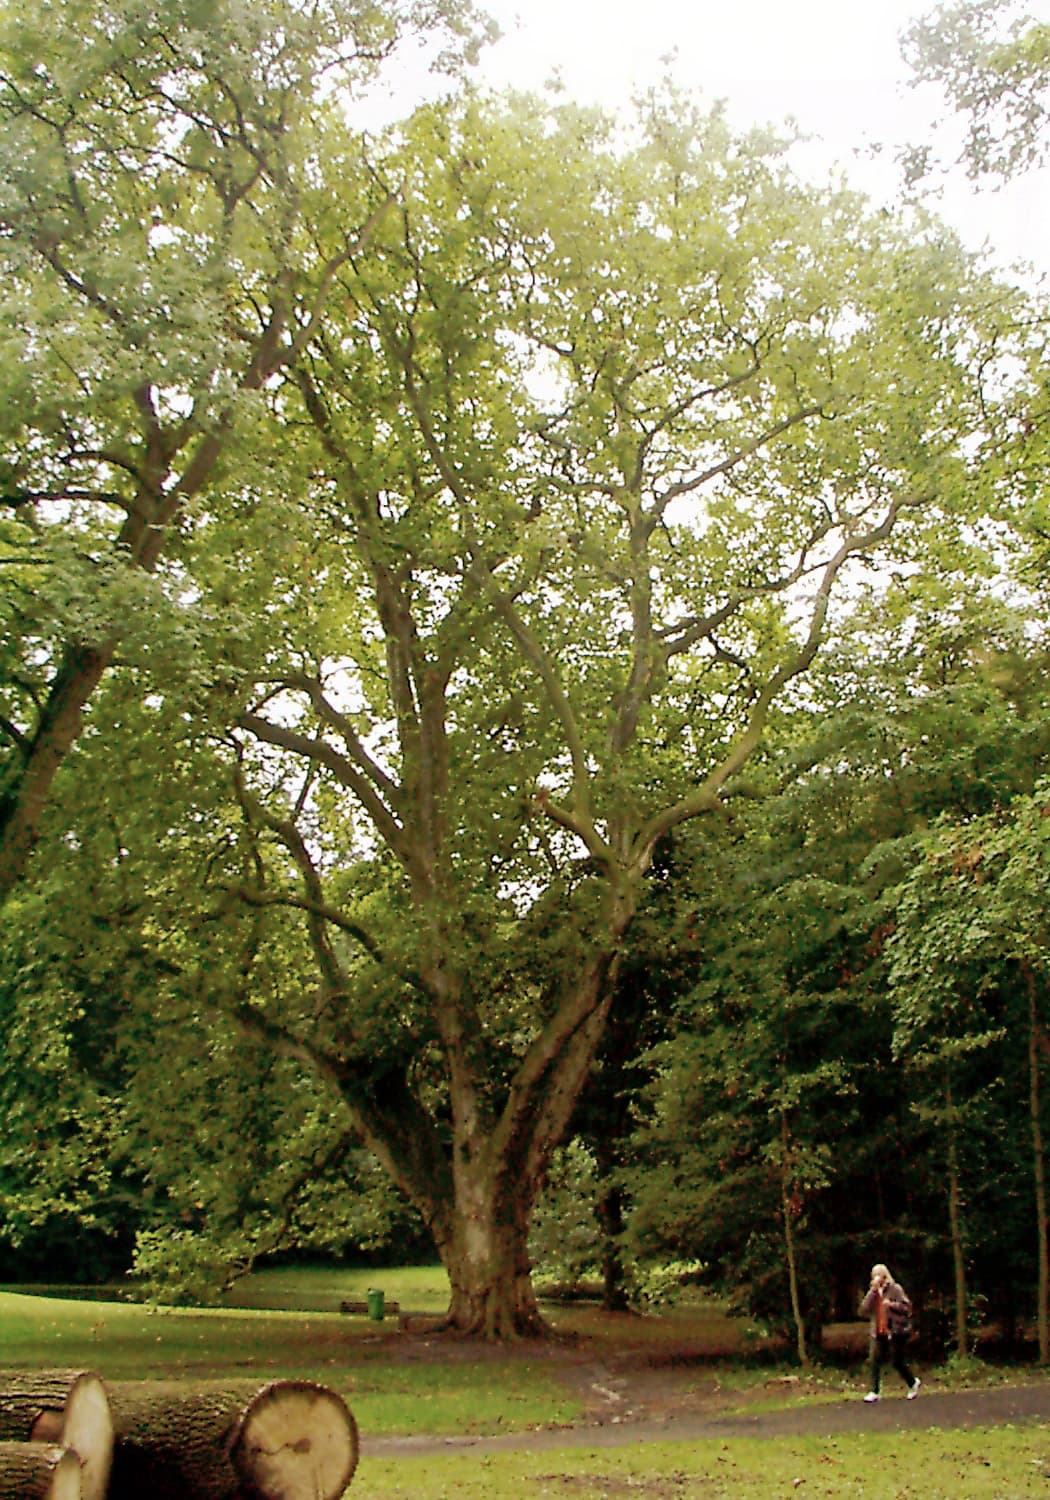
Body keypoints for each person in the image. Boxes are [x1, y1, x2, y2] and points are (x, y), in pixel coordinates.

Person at [860, 1262, 921, 1402]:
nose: (876, 1278)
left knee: (897, 1361)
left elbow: (907, 1307)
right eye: (874, 1275)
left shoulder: (895, 1289)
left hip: (894, 1329)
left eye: (878, 1275)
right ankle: (874, 1391)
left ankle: (912, 1382)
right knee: (874, 1360)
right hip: (878, 1330)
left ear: (884, 1276)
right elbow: (864, 1309)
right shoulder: (874, 1293)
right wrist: (872, 1292)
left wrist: (892, 1305)